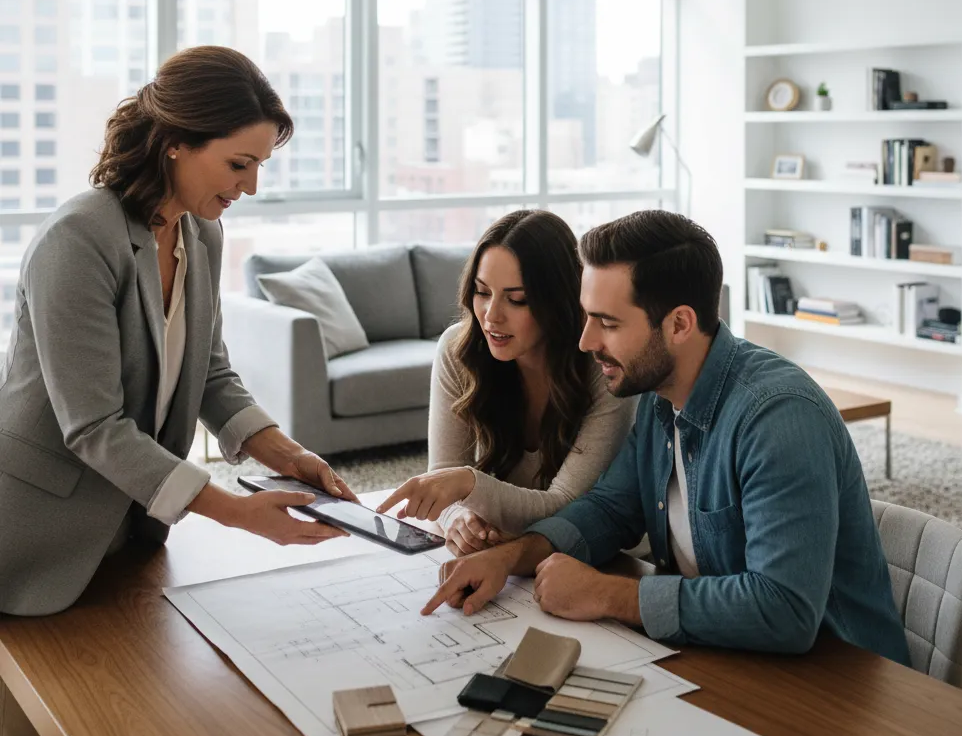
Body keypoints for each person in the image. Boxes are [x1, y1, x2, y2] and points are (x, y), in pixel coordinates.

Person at [423, 210, 910, 665]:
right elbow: (607, 511)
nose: (585, 341)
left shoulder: (779, 419)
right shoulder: (660, 398)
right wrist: (507, 558)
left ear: (679, 324)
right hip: (727, 657)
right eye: (588, 316)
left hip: (838, 685)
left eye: (608, 323)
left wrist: (610, 594)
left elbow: (783, 610)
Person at [0, 46, 358, 622]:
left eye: (260, 166)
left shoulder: (201, 235)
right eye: (239, 164)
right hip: (34, 533)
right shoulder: (78, 240)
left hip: (130, 525)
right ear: (177, 143)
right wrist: (237, 513)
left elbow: (211, 372)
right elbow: (93, 426)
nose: (251, 186)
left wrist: (288, 454)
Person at [376, 210, 636, 556]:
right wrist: (457, 518)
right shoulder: (460, 350)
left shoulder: (602, 368)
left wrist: (468, 484)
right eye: (482, 292)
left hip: (599, 558)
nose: (491, 315)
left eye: (517, 299)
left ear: (558, 301)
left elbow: (567, 508)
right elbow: (442, 475)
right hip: (506, 554)